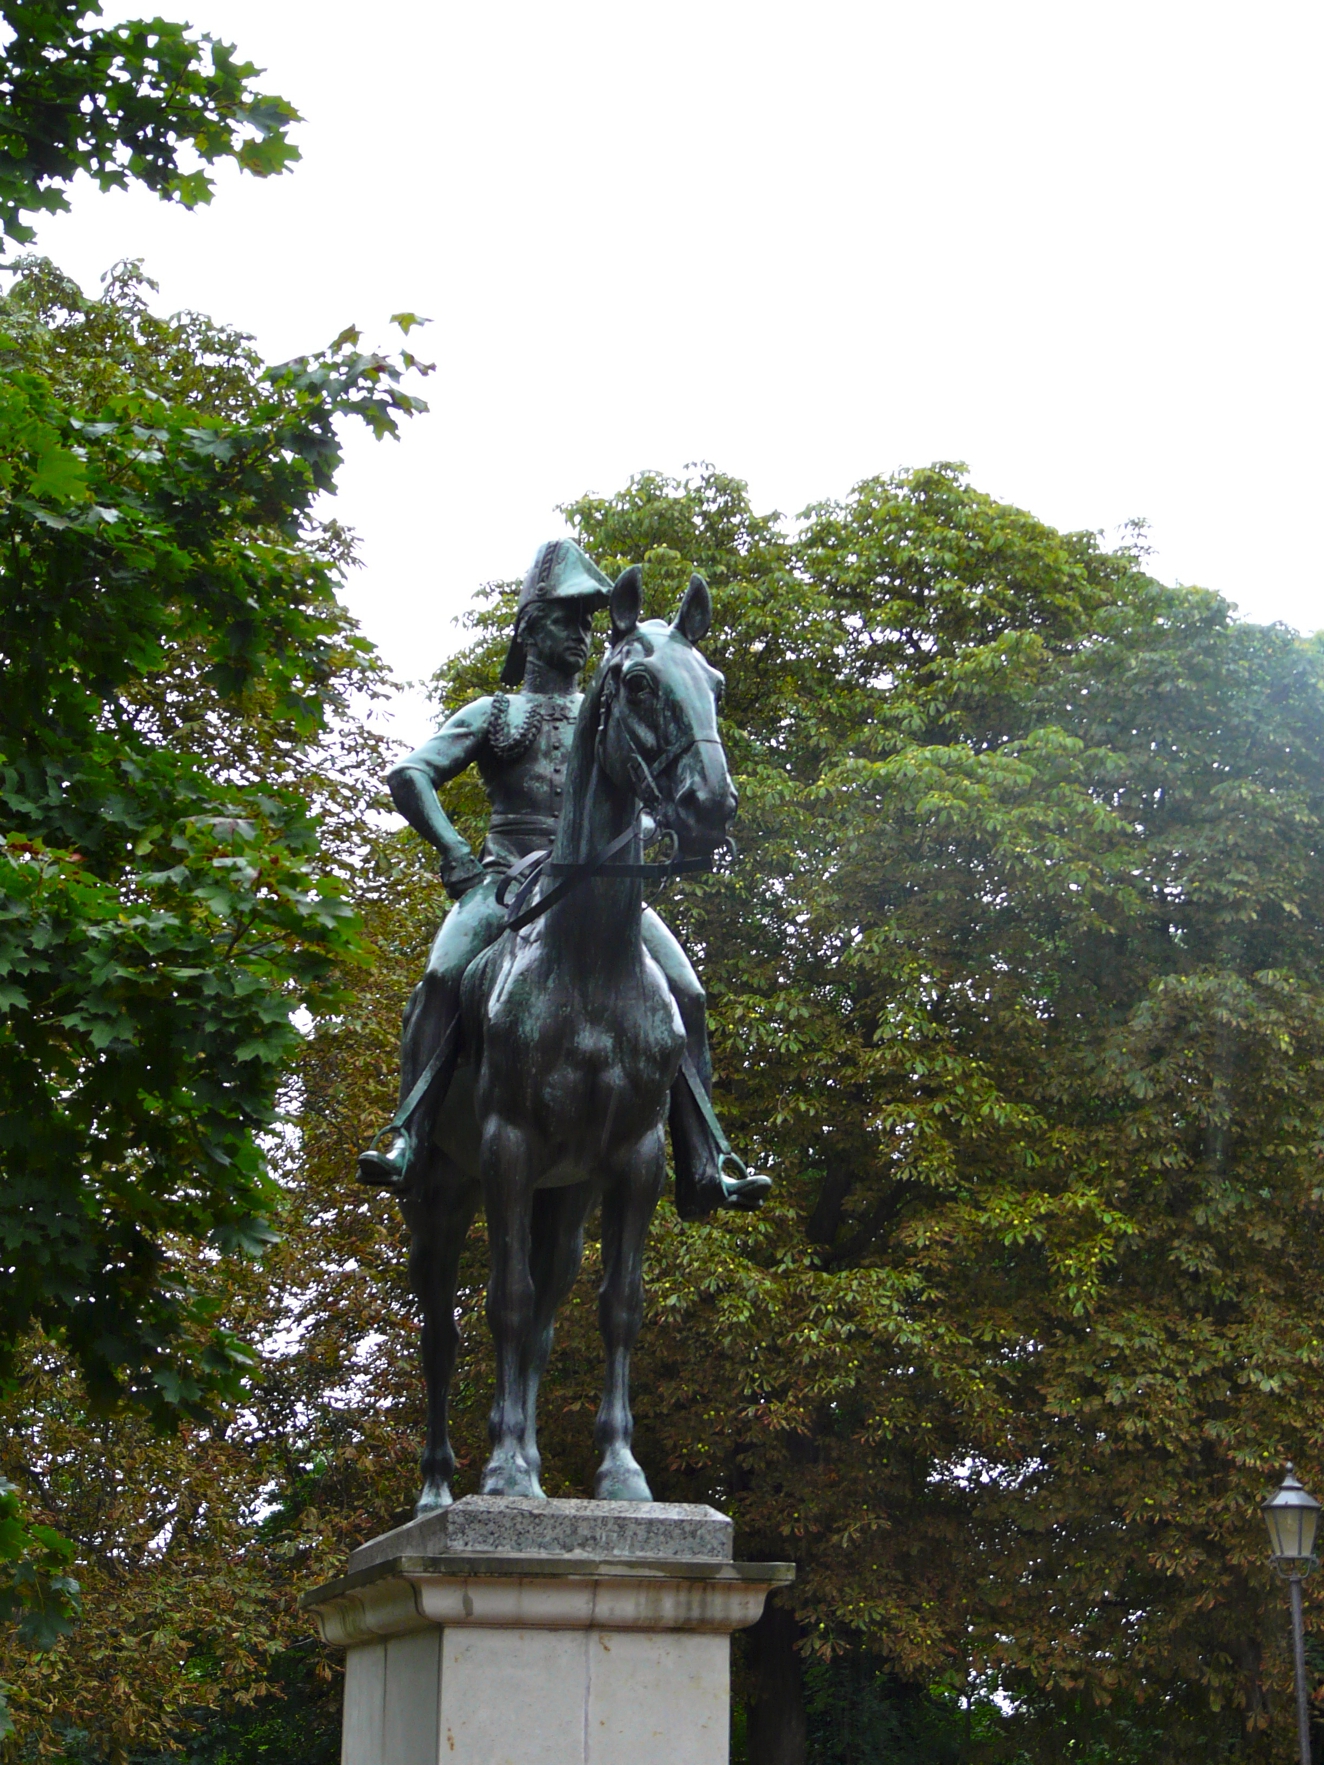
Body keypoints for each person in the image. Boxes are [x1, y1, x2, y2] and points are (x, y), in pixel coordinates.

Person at [357, 538, 769, 1217]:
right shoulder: (496, 714)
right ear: (528, 628)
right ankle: (410, 1128)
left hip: (597, 887)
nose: (580, 633)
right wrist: (454, 848)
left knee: (688, 993)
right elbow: (411, 773)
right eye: (565, 618)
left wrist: (649, 826)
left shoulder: (607, 704)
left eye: (587, 621)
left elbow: (641, 779)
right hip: (505, 886)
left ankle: (706, 1156)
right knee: (441, 976)